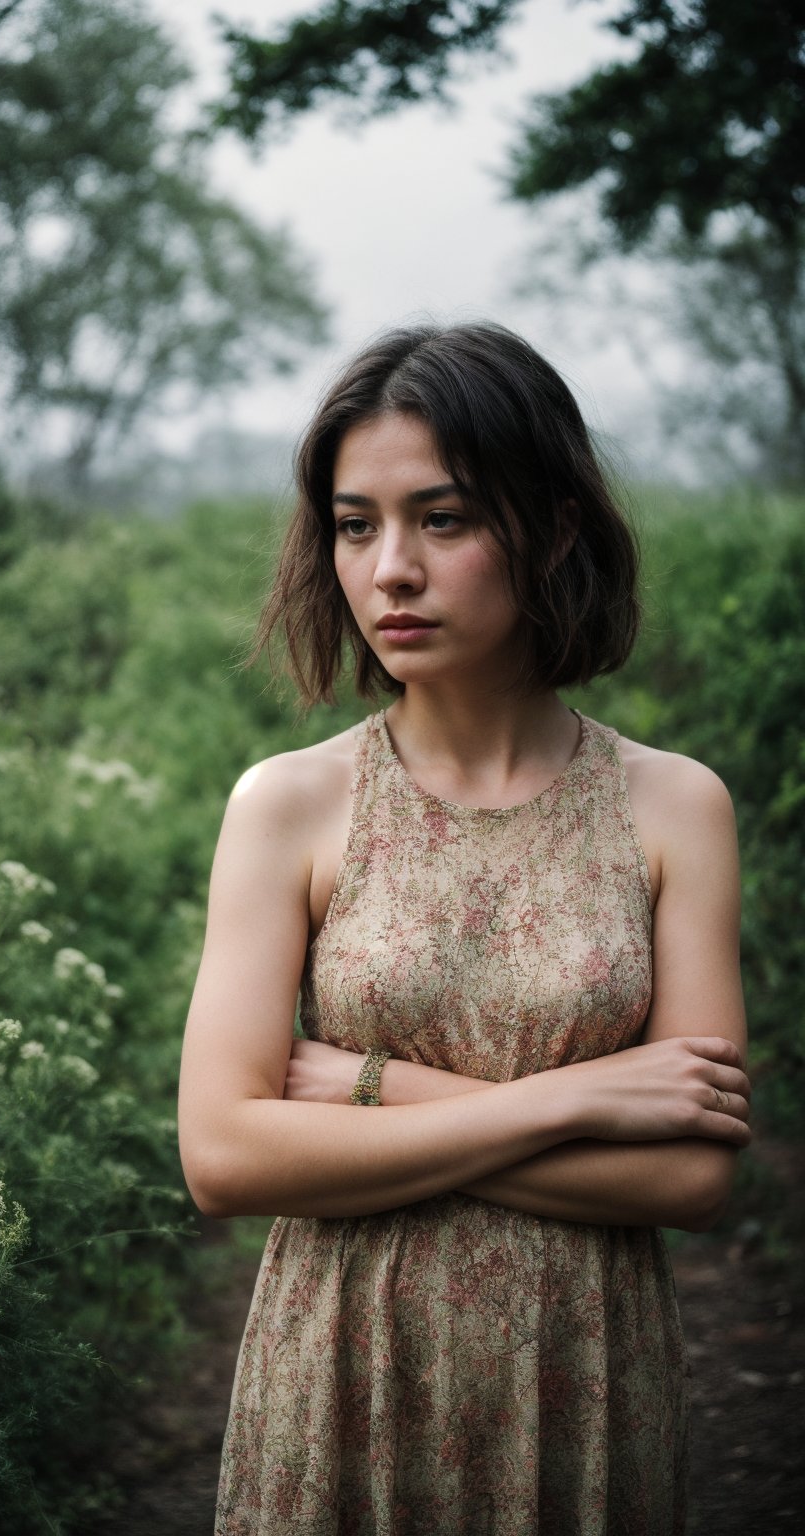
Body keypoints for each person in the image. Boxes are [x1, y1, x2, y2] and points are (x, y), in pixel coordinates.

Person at [178, 322, 750, 1536]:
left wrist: (366, 1088)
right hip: (343, 1367)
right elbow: (224, 1156)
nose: (390, 568)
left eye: (442, 519)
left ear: (548, 527)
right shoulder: (290, 805)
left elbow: (690, 1174)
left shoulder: (673, 807)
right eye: (354, 524)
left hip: (580, 1375)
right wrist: (579, 1097)